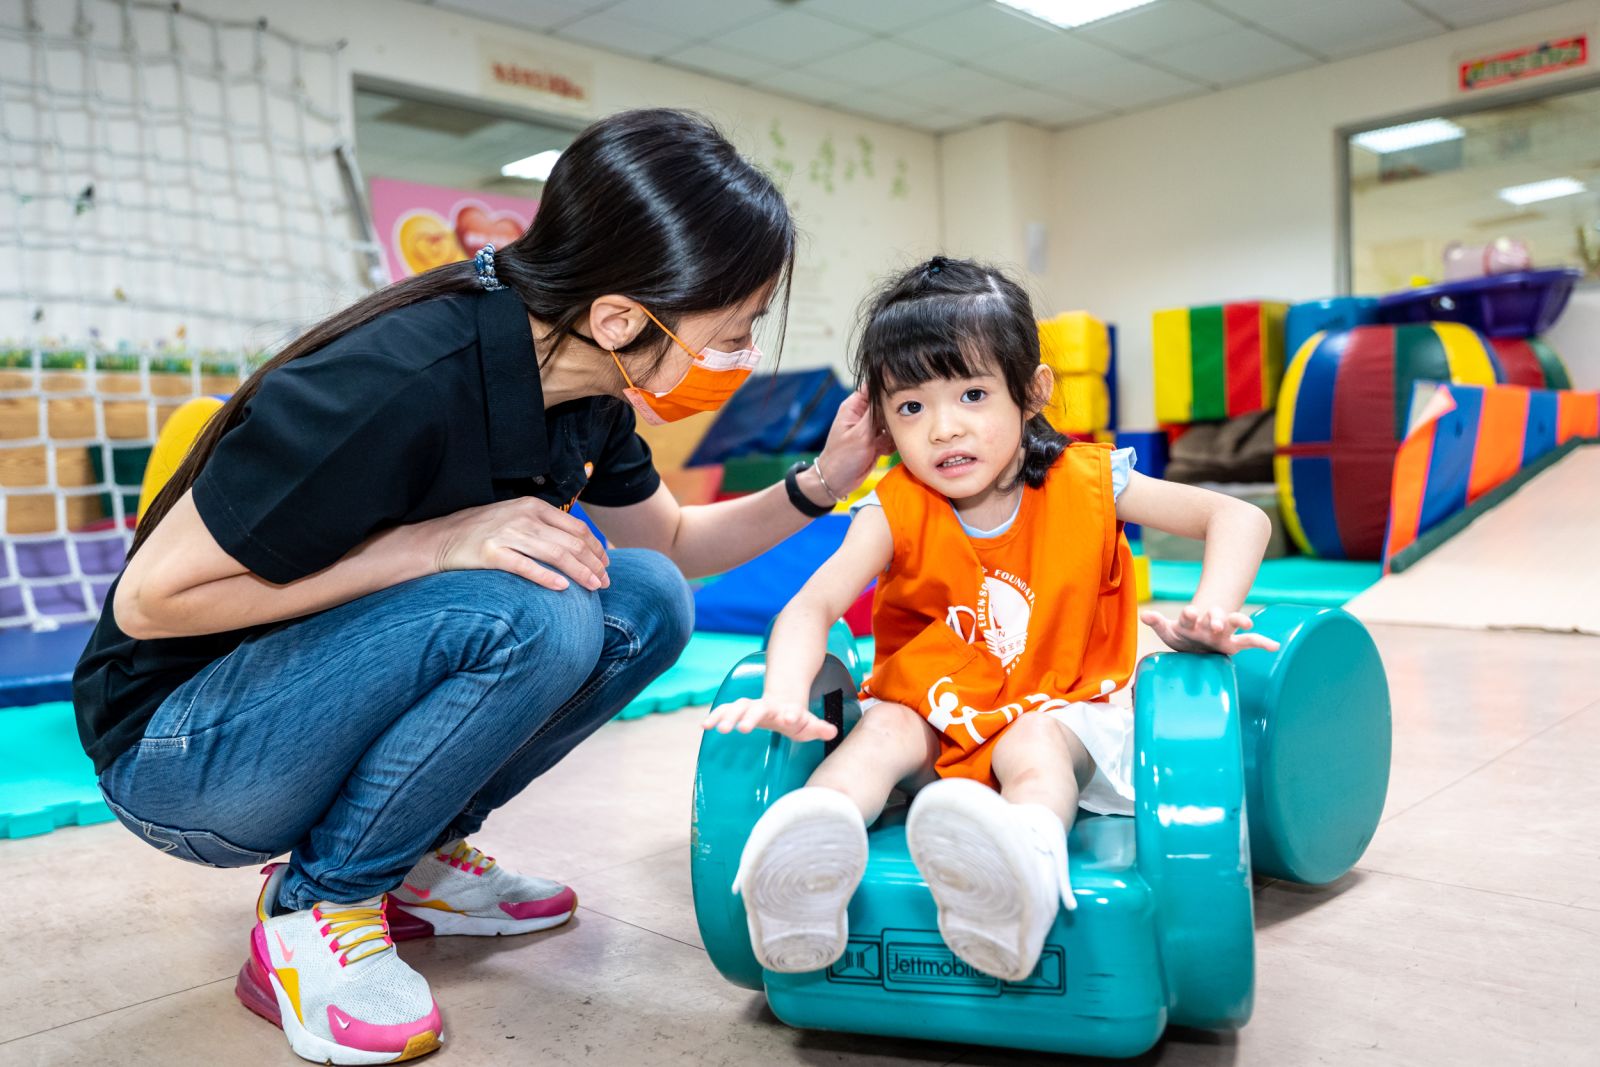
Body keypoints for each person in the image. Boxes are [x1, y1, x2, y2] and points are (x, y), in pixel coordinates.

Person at [73, 109, 886, 1066]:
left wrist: (824, 481)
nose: (741, 354)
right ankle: (315, 912)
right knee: (534, 606)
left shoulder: (583, 386)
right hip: (182, 753)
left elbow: (670, 541)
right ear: (624, 319)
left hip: (293, 705)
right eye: (735, 328)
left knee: (648, 597)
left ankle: (410, 861)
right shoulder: (392, 378)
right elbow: (152, 600)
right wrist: (439, 542)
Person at [703, 256, 1279, 984]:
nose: (944, 430)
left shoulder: (1092, 480)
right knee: (882, 728)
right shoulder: (895, 505)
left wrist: (1214, 608)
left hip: (1062, 701)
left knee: (1034, 746)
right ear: (881, 419)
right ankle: (808, 864)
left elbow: (1236, 516)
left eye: (973, 393)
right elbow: (810, 604)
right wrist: (784, 697)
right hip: (941, 712)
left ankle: (1022, 870)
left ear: (1032, 391)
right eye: (911, 407)